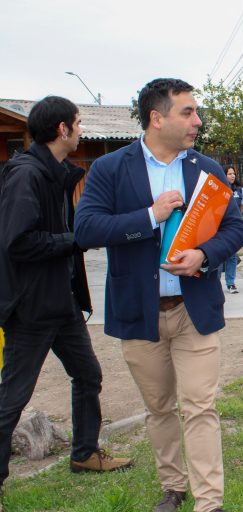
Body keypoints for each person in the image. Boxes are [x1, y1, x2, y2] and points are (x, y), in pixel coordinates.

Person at [75, 78, 243, 512]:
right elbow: (86, 229)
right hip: (140, 312)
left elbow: (235, 228)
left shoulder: (205, 168)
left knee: (200, 406)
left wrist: (204, 256)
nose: (197, 121)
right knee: (159, 407)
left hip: (194, 309)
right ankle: (174, 486)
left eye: (196, 112)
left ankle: (210, 502)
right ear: (157, 118)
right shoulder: (112, 167)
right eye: (187, 112)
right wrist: (151, 216)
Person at [0, 96, 133, 504]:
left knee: (88, 375)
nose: (80, 129)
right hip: (32, 307)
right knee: (13, 398)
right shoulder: (26, 175)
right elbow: (17, 242)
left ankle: (85, 454)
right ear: (62, 129)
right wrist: (75, 240)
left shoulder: (56, 173)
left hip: (62, 304)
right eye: (77, 122)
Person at [222, 166, 243, 294]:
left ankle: (230, 283)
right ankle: (214, 284)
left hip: (232, 227)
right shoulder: (218, 188)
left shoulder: (240, 191)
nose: (232, 176)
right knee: (219, 257)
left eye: (234, 174)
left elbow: (241, 209)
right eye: (229, 173)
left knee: (232, 256)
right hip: (219, 227)